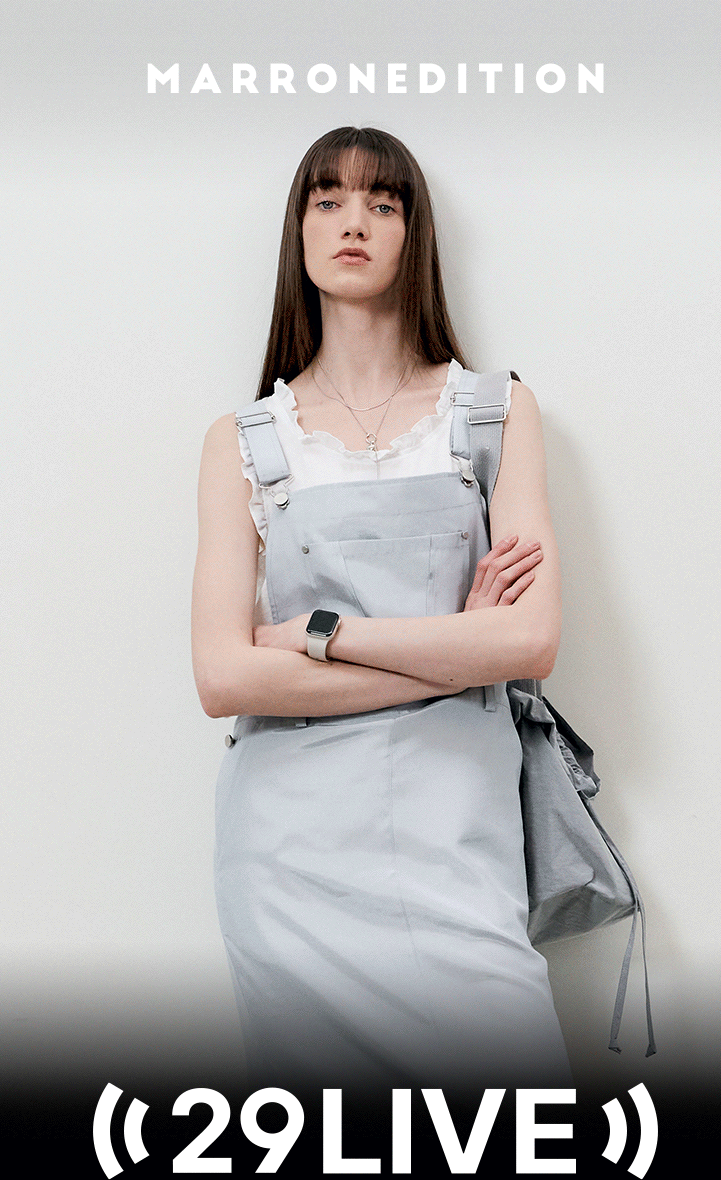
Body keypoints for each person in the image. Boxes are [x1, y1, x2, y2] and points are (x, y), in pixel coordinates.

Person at [191, 126, 571, 1095]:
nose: (352, 221)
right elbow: (224, 676)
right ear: (300, 233)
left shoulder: (494, 411)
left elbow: (530, 640)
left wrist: (320, 639)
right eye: (327, 200)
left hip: (458, 832)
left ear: (414, 233)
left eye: (381, 202)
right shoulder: (243, 441)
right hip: (289, 856)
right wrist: (457, 651)